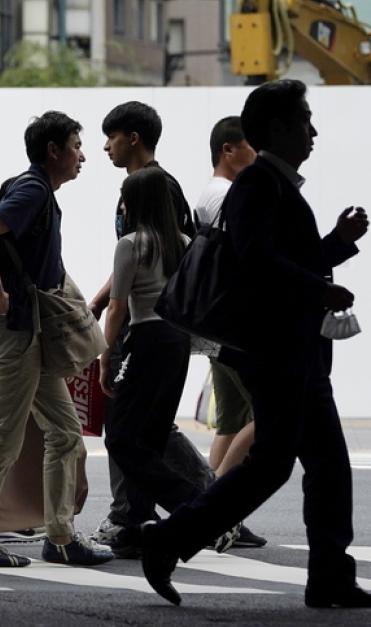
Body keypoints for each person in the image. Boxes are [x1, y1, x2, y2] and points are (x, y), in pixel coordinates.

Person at [125, 79, 371, 610]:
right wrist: (319, 283)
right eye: (303, 119)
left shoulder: (273, 185)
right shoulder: (259, 185)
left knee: (291, 464)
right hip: (279, 352)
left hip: (286, 351)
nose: (313, 130)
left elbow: (278, 261)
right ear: (276, 127)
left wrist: (337, 247)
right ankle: (320, 575)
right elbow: (257, 262)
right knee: (305, 464)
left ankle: (322, 576)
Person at [0, 111, 113, 569]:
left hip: (29, 333)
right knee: (2, 438)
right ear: (54, 150)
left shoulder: (33, 189)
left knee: (65, 433)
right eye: (77, 146)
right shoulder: (32, 189)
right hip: (17, 332)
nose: (83, 156)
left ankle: (60, 535)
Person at [89, 100, 217, 551]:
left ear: (134, 138)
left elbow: (162, 267)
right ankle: (147, 515)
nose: (105, 146)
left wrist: (110, 323)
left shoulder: (159, 187)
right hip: (159, 331)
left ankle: (190, 504)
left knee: (133, 431)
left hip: (146, 329)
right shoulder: (137, 189)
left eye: (112, 136)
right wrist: (101, 301)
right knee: (146, 430)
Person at [99, 167, 205, 536]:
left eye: (126, 198)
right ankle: (140, 520)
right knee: (154, 436)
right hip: (177, 342)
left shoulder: (130, 244)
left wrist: (103, 358)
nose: (123, 206)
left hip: (146, 339)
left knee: (122, 437)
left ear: (137, 203)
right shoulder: (184, 242)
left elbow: (116, 307)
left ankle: (195, 507)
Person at [193, 117, 265, 550]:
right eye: (250, 147)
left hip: (219, 324)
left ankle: (207, 505)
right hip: (236, 325)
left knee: (232, 420)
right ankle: (217, 512)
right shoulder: (226, 195)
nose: (256, 155)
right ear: (229, 150)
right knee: (267, 415)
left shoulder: (210, 193)